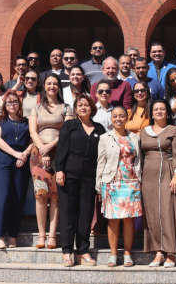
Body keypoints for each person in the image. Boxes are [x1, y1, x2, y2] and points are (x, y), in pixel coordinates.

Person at [55, 94, 105, 267]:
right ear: (76, 109)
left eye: (86, 105)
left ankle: (83, 250)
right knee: (68, 212)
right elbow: (61, 148)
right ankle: (67, 252)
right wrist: (59, 169)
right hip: (69, 172)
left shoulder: (99, 129)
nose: (83, 107)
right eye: (80, 105)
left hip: (90, 175)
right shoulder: (70, 125)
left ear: (92, 108)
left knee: (86, 212)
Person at [29, 74, 75, 250]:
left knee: (55, 196)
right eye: (49, 83)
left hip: (60, 154)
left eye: (55, 83)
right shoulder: (36, 108)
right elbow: (33, 132)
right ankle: (41, 234)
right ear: (44, 86)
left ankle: (52, 235)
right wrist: (43, 149)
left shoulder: (66, 108)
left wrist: (50, 146)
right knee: (41, 195)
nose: (52, 86)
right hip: (39, 156)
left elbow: (67, 131)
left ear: (59, 87)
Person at [141, 100, 176, 267]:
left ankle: (171, 251)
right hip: (148, 175)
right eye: (156, 109)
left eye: (162, 109)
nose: (159, 111)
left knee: (168, 210)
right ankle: (158, 252)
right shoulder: (144, 132)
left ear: (167, 112)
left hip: (168, 171)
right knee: (152, 212)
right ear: (151, 113)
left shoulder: (173, 130)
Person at [97, 107, 143, 267]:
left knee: (129, 219)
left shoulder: (135, 137)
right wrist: (98, 186)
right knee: (113, 220)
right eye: (115, 116)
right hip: (111, 182)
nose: (118, 119)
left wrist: (140, 181)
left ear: (126, 118)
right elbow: (101, 162)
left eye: (121, 116)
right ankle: (113, 254)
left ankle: (128, 254)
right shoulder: (105, 138)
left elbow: (139, 161)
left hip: (131, 182)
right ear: (111, 119)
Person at [0, 90, 33, 249]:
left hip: (22, 161)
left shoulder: (26, 121)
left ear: (19, 104)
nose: (12, 105)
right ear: (5, 105)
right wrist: (16, 154)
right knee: (3, 197)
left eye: (15, 102)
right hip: (4, 161)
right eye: (9, 102)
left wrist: (25, 153)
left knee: (18, 198)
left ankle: (12, 236)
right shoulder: (0, 120)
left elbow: (32, 139)